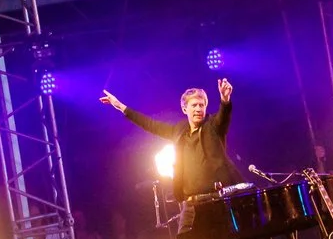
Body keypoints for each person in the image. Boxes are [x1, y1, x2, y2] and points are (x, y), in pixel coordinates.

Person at [101, 78, 235, 201]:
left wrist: (225, 99)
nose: (198, 109)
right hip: (190, 202)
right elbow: (150, 124)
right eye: (194, 105)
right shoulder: (179, 131)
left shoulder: (213, 126)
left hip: (216, 198)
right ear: (184, 109)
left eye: (201, 105)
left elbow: (223, 116)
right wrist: (120, 106)